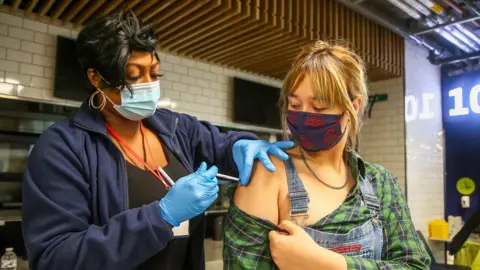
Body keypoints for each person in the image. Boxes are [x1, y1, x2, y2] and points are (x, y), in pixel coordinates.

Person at [21, 11, 293, 270]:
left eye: (154, 72)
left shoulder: (174, 128)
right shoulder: (62, 148)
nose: (148, 84)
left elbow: (220, 144)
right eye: (133, 76)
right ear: (96, 77)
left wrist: (241, 145)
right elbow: (56, 258)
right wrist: (161, 216)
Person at [223, 41, 431, 269]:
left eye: (319, 107)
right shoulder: (269, 173)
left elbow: (415, 266)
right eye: (294, 104)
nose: (304, 116)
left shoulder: (379, 182)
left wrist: (326, 264)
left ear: (353, 106)